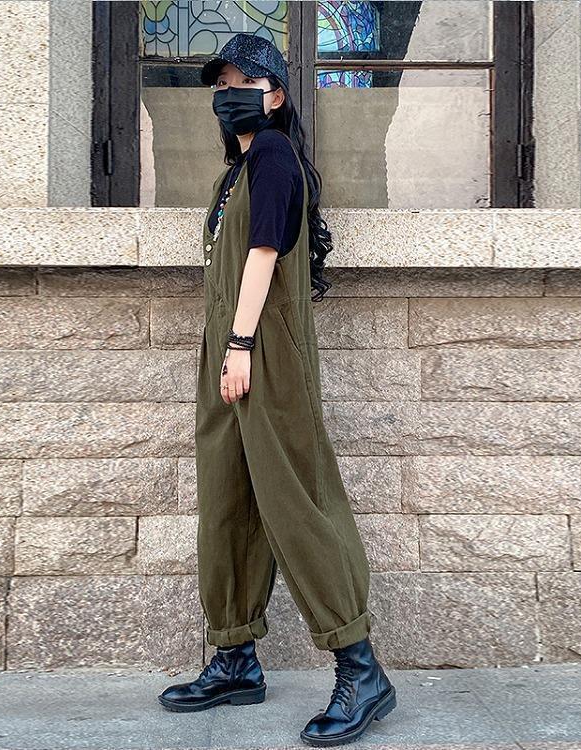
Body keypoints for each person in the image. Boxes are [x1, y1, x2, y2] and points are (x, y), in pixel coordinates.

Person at [157, 32, 396, 746]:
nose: (226, 93)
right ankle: (235, 657)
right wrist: (224, 349)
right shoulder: (236, 170)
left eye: (242, 82)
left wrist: (239, 346)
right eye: (220, 83)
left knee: (296, 500)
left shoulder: (271, 155)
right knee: (227, 496)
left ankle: (360, 667)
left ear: (275, 95)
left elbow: (264, 252)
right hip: (228, 349)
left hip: (263, 352)